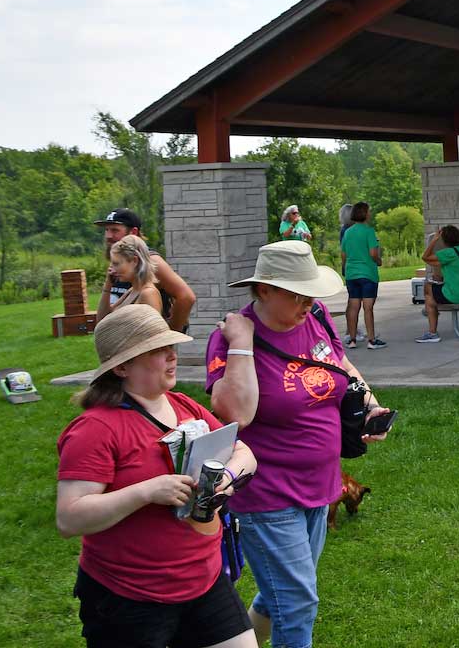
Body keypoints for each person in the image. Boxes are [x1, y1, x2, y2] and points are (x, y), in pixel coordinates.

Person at [207, 241, 392, 648]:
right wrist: (240, 343)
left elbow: (340, 366)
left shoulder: (318, 317)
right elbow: (237, 413)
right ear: (264, 290)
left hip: (319, 487)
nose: (307, 301)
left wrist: (369, 404)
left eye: (310, 292)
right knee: (297, 603)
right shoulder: (232, 338)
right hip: (268, 493)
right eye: (296, 293)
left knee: (283, 595)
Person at [57, 305, 258, 648]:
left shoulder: (184, 407)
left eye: (171, 347)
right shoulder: (96, 429)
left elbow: (245, 453)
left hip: (204, 580)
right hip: (129, 597)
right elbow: (69, 518)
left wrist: (225, 475)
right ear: (121, 367)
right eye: (157, 351)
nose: (171, 356)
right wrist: (146, 492)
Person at [94, 208, 195, 332]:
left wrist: (171, 335)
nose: (108, 236)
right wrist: (108, 283)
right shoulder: (129, 277)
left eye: (115, 230)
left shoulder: (152, 262)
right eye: (107, 230)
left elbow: (186, 297)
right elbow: (103, 321)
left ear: (133, 232)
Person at [419, 225, 459, 342]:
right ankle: (431, 310)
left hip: (458, 295)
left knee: (428, 290)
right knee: (431, 291)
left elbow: (425, 257)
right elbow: (439, 265)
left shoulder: (449, 253)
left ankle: (432, 329)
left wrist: (435, 239)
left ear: (444, 239)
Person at [340, 201, 385, 350]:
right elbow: (373, 253)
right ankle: (371, 340)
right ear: (365, 214)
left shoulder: (348, 232)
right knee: (368, 308)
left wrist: (345, 268)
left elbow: (343, 254)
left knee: (353, 306)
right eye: (369, 211)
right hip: (367, 274)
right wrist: (379, 261)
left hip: (352, 274)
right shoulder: (368, 231)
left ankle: (352, 339)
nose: (370, 214)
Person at [107, 235, 164, 314]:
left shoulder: (148, 294)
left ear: (134, 261)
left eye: (116, 264)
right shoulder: (133, 290)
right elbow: (103, 317)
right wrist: (108, 284)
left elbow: (153, 326)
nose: (112, 269)